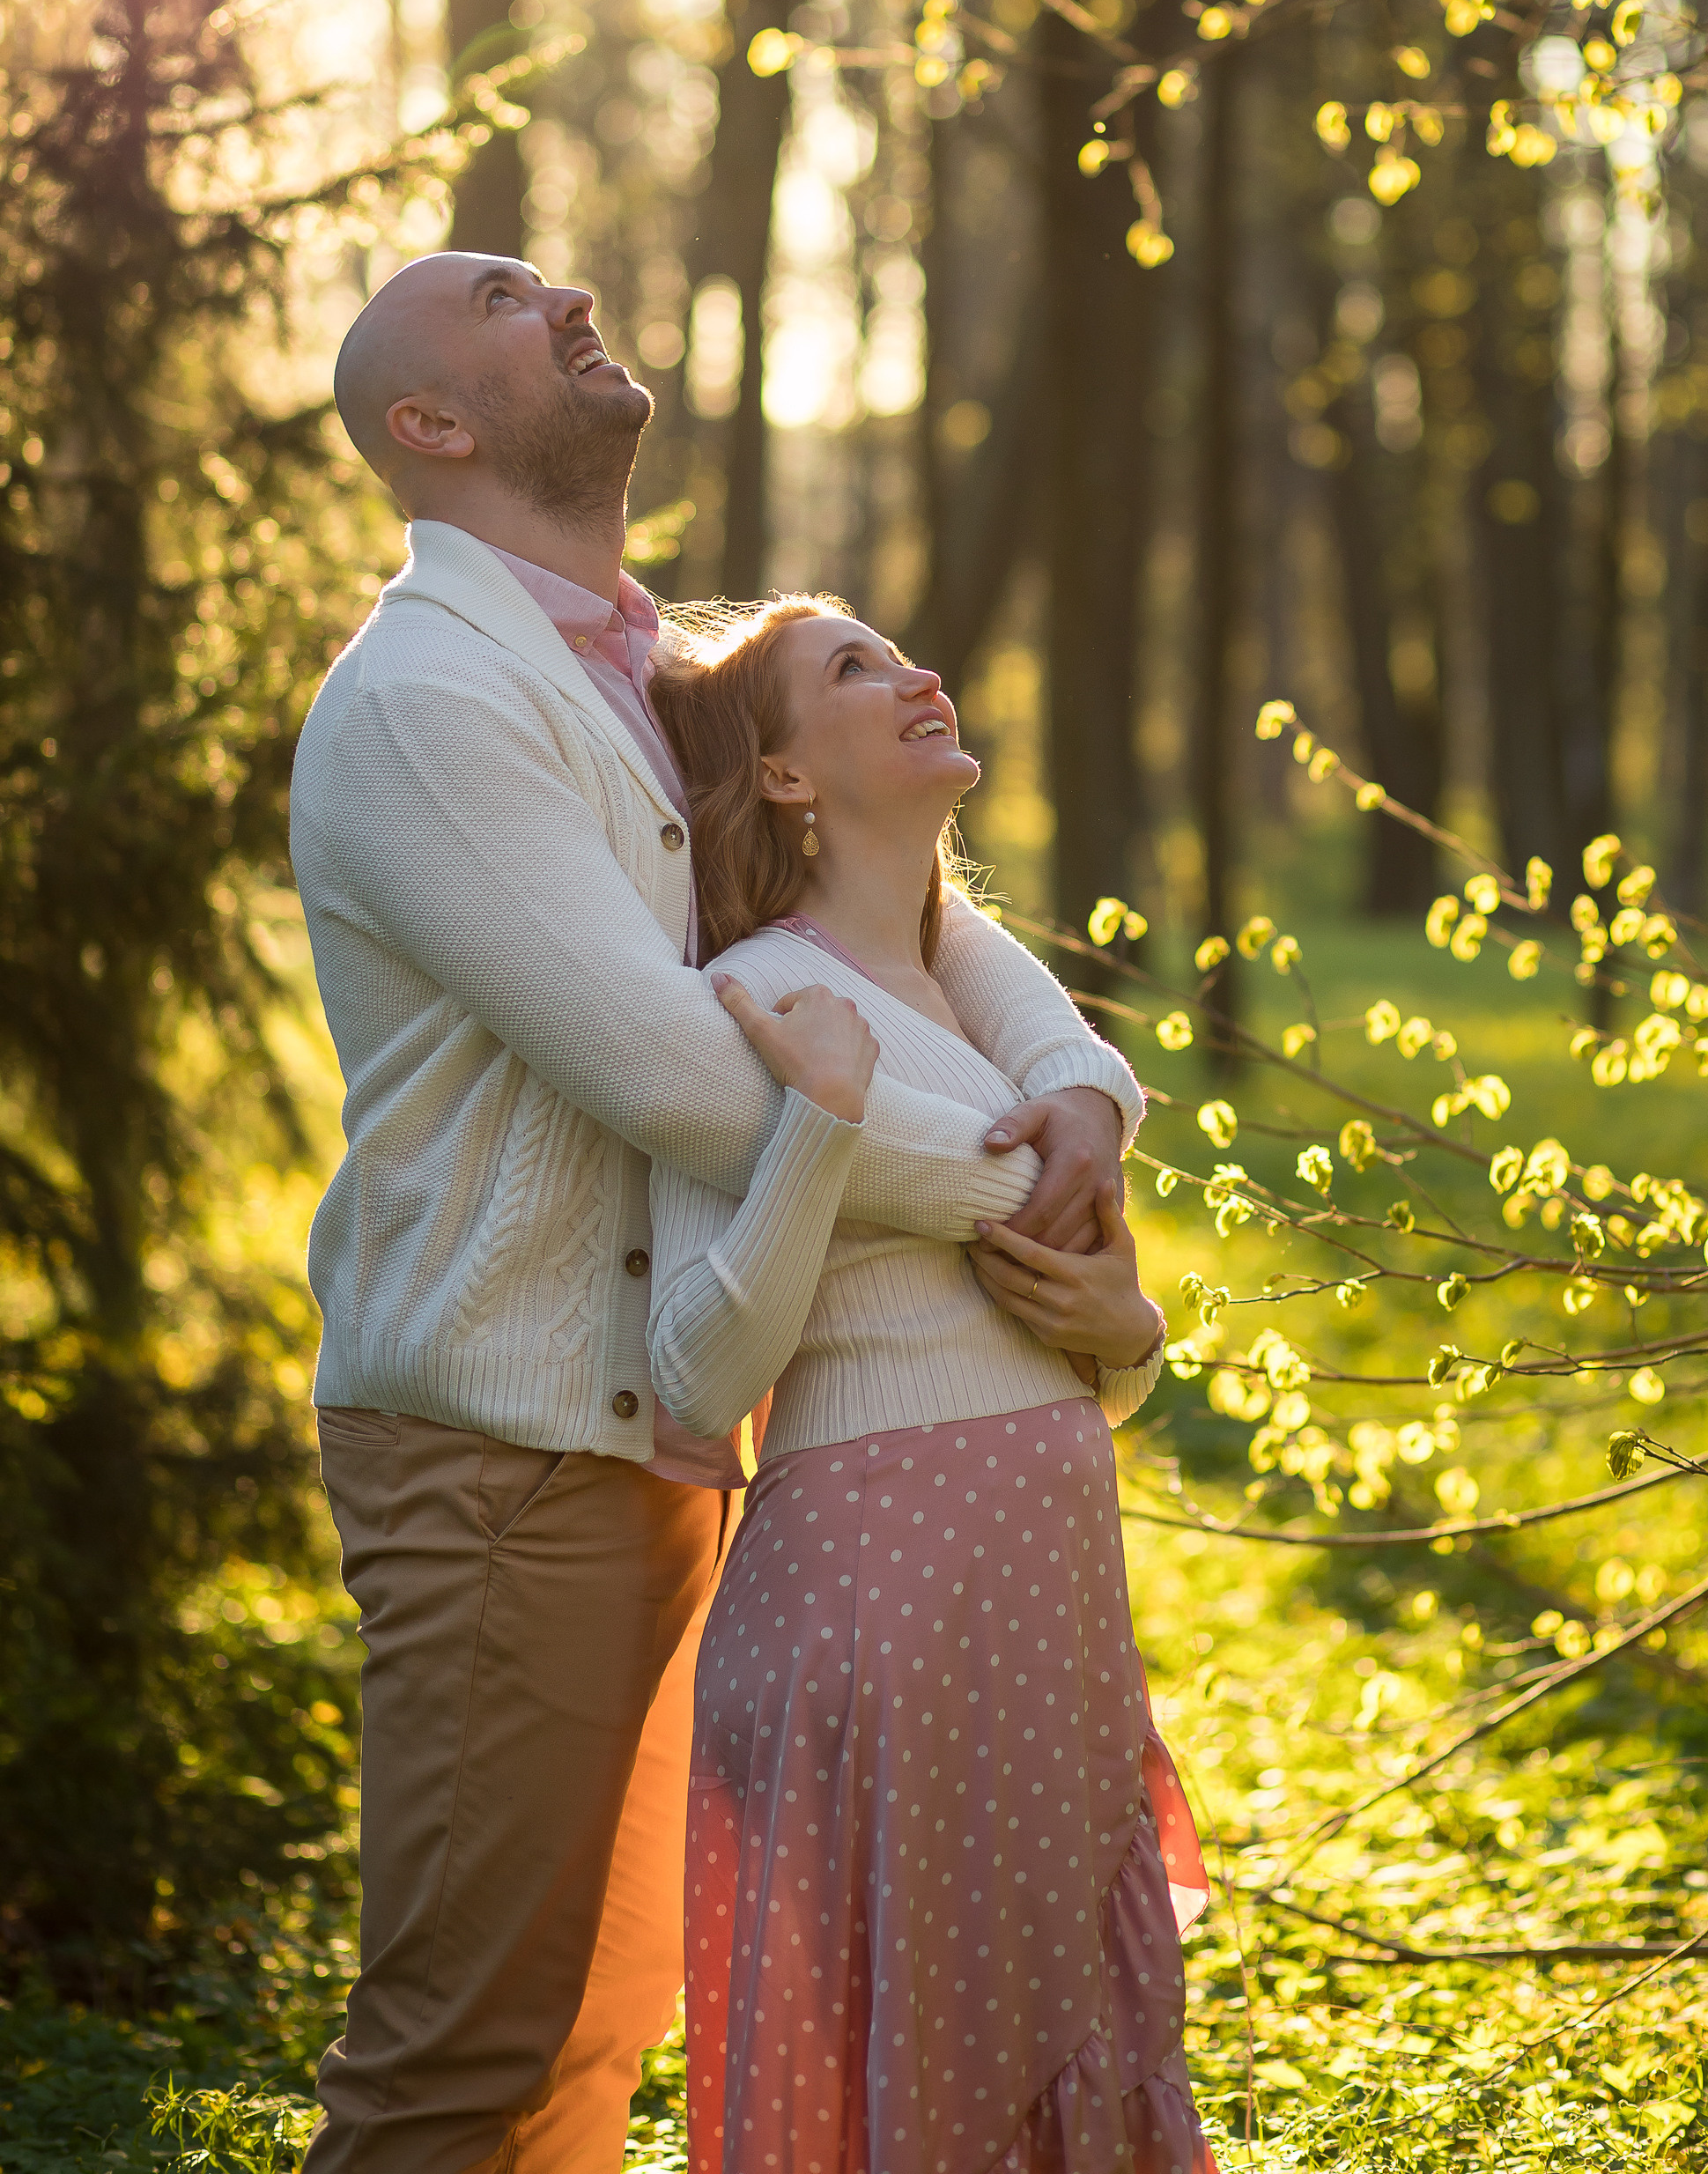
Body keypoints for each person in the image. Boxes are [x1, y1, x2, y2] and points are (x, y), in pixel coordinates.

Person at [291, 253, 1146, 2174]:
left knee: (591, 2045)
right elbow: (682, 1074)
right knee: (462, 2049)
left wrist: (1083, 1093)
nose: (567, 288)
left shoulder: (628, 659)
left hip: (671, 1437)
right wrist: (1031, 1196)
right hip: (507, 1454)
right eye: (507, 298)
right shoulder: (433, 697)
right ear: (431, 427)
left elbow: (921, 911)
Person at [645, 596, 1215, 2174]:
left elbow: (1079, 1355)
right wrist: (819, 1127)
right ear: (780, 778)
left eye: (900, 653)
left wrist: (1129, 1327)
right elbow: (699, 1364)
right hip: (880, 1606)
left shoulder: (989, 998)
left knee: (1052, 2037)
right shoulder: (756, 997)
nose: (918, 676)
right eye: (855, 670)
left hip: (1038, 1593)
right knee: (932, 2077)